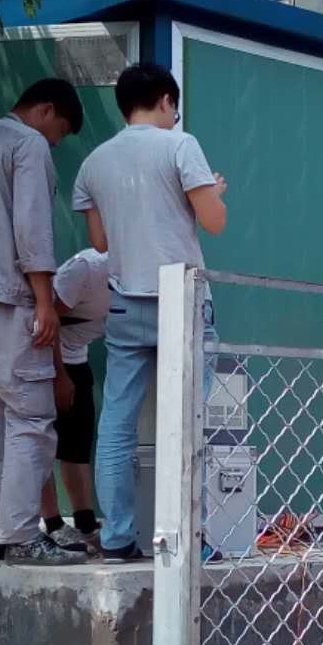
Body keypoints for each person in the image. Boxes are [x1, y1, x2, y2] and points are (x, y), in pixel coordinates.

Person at [71, 63, 227, 563]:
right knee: (189, 421)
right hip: (180, 299)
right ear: (165, 100)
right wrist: (212, 193)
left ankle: (117, 538)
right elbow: (214, 222)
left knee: (117, 423)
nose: (174, 116)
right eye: (173, 108)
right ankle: (189, 541)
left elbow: (100, 242)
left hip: (124, 300)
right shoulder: (181, 146)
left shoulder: (94, 162)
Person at [0, 78, 85, 564]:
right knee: (31, 420)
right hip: (12, 303)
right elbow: (32, 228)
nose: (54, 143)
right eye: (58, 133)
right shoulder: (27, 145)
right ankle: (23, 535)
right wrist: (45, 302)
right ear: (46, 110)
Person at [37, 247, 114, 550]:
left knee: (77, 445)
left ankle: (85, 524)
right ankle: (53, 524)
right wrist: (59, 375)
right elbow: (45, 319)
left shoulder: (139, 276)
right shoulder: (87, 268)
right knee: (40, 443)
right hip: (44, 360)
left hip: (78, 358)